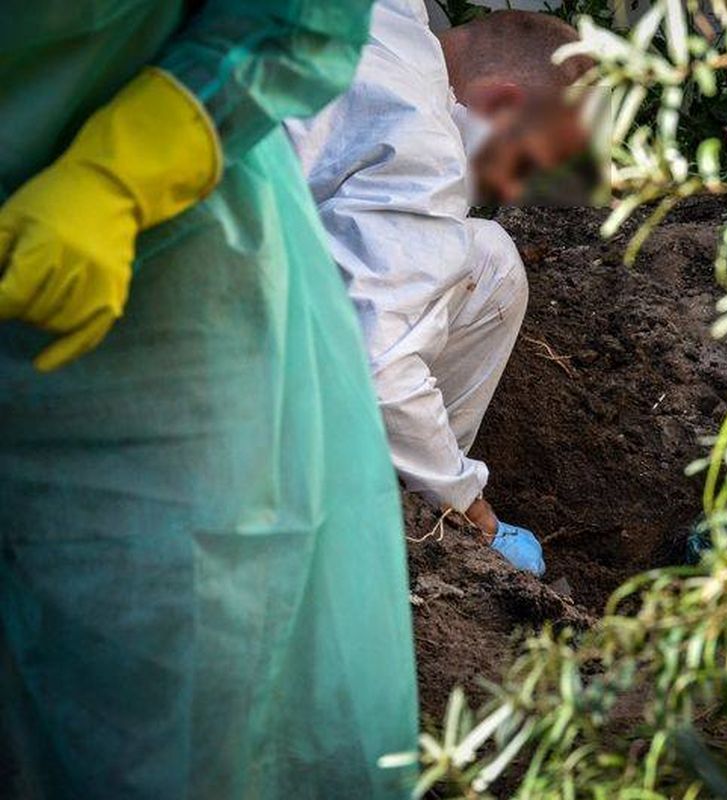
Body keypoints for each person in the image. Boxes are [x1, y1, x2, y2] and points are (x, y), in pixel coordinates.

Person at [0, 2, 418, 796]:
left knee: (166, 676)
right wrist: (468, 501)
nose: (515, 189)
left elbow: (296, 17)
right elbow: (393, 353)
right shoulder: (430, 158)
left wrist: (119, 174)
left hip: (164, 288)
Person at [287, 4, 594, 577]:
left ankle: (409, 486)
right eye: (524, 165)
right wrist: (472, 508)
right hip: (199, 363)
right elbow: (381, 368)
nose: (509, 189)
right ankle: (411, 516)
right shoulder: (421, 150)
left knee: (489, 258)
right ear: (502, 105)